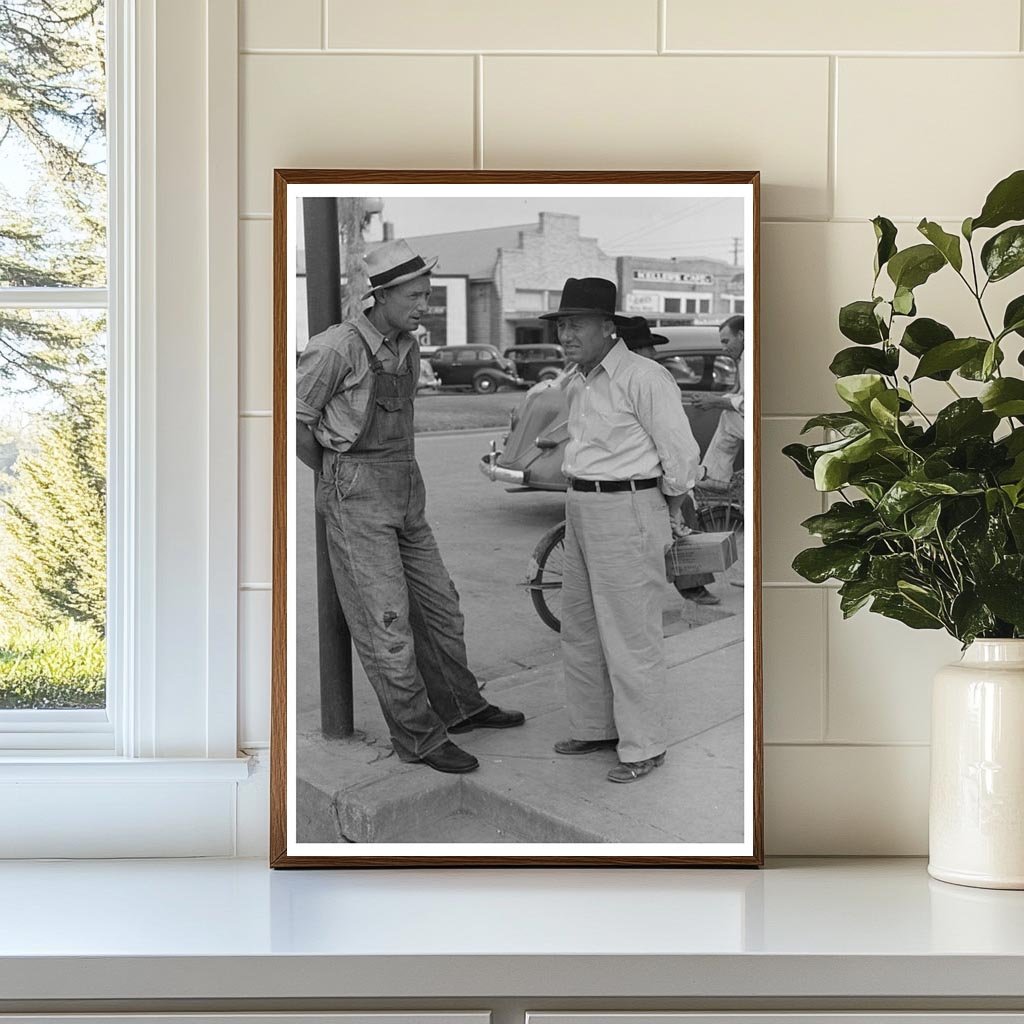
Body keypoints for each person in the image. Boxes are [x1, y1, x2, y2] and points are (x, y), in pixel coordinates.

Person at [295, 238, 524, 775]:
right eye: (417, 296)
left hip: (406, 488)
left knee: (442, 607)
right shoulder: (335, 349)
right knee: (387, 624)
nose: (426, 306)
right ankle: (418, 736)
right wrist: (336, 479)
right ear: (381, 295)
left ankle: (460, 706)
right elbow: (294, 423)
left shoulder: (408, 346)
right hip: (356, 493)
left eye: (427, 294)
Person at [541, 279, 701, 784]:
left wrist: (666, 506)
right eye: (562, 326)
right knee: (582, 627)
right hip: (581, 506)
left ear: (609, 328)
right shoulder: (581, 379)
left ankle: (643, 745)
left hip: (627, 506)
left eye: (577, 325)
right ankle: (595, 727)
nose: (567, 335)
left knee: (631, 634)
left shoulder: (644, 377)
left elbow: (681, 457)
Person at [618, 316, 719, 607]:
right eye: (647, 348)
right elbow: (673, 442)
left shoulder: (626, 376)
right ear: (638, 351)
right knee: (683, 510)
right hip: (647, 475)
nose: (652, 353)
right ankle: (693, 584)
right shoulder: (651, 376)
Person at [692, 315, 745, 490]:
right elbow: (740, 395)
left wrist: (715, 402)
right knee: (728, 417)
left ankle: (716, 477)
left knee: (729, 419)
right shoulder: (744, 358)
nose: (723, 348)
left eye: (726, 341)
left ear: (741, 335)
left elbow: (748, 402)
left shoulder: (748, 359)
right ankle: (715, 476)